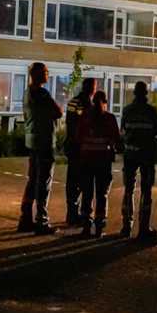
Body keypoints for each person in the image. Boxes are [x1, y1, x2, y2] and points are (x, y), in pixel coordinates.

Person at [19, 63, 62, 236]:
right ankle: (41, 221)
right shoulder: (42, 94)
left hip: (32, 141)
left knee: (32, 180)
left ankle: (25, 218)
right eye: (45, 71)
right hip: (44, 142)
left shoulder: (27, 93)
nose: (48, 74)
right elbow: (58, 112)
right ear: (36, 74)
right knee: (43, 182)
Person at [120, 81, 157, 238]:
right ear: (146, 93)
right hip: (147, 154)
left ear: (134, 93)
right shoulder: (151, 111)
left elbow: (123, 128)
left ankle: (126, 226)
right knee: (146, 190)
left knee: (128, 190)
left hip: (130, 154)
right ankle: (143, 228)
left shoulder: (127, 110)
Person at [75, 91, 120, 238]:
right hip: (102, 161)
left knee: (88, 193)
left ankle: (87, 226)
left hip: (88, 160)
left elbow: (78, 137)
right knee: (101, 194)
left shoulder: (85, 117)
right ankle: (99, 226)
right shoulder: (109, 118)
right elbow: (116, 139)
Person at [64, 77, 96, 225]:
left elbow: (70, 122)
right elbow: (87, 125)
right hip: (81, 147)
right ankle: (78, 214)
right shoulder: (87, 104)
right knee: (82, 181)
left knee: (71, 180)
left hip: (70, 144)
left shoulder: (72, 101)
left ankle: (71, 212)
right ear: (92, 88)